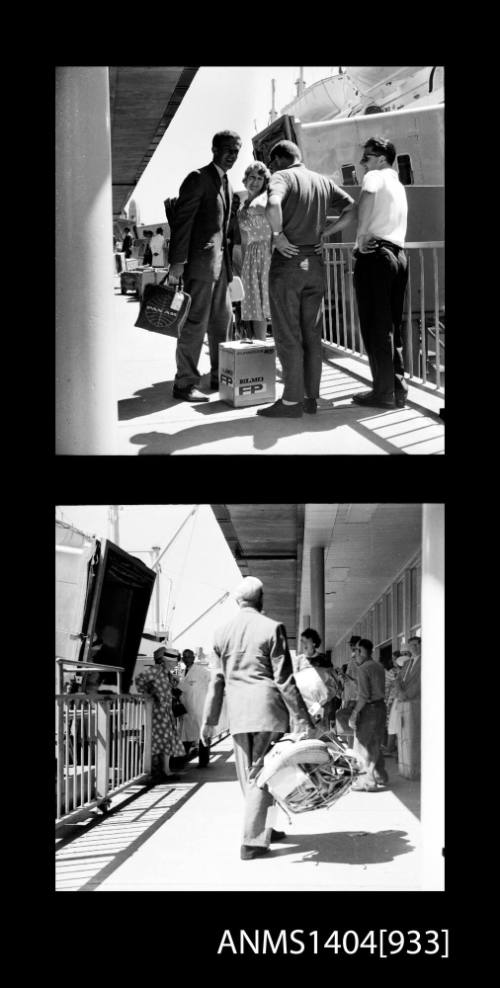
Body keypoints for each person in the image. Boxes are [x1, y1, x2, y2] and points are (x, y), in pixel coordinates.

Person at [200, 576, 314, 860]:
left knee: (251, 775)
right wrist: (303, 719)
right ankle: (252, 842)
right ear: (261, 599)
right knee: (261, 776)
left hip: (238, 715)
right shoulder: (272, 628)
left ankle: (265, 827)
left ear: (238, 601)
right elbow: (284, 679)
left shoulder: (220, 632)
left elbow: (216, 682)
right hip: (268, 712)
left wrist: (209, 721)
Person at [255, 140, 356, 419]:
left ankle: (290, 403)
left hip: (288, 263)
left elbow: (273, 204)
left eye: (272, 162)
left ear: (279, 160)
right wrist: (326, 232)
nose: (272, 168)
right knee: (312, 335)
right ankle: (312, 398)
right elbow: (350, 207)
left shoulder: (281, 177)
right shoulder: (322, 182)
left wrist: (278, 235)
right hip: (315, 264)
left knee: (288, 334)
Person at [168, 130, 242, 402]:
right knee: (195, 323)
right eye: (227, 150)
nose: (232, 155)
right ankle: (184, 383)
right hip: (200, 265)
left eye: (236, 150)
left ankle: (218, 377)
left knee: (222, 323)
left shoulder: (228, 183)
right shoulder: (198, 178)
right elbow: (182, 222)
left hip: (221, 267)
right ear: (214, 149)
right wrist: (177, 262)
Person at [351, 137, 409, 410]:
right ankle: (397, 389)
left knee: (375, 326)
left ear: (381, 158)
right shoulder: (398, 184)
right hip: (398, 255)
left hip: (376, 256)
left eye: (367, 157)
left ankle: (383, 393)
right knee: (392, 326)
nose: (363, 164)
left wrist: (361, 235)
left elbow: (367, 196)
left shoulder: (375, 176)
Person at [135, 647, 185, 781]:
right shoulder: (156, 670)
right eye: (174, 661)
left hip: (166, 712)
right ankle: (156, 772)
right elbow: (139, 680)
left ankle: (165, 771)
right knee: (157, 741)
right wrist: (148, 695)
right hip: (157, 712)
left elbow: (176, 684)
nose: (176, 664)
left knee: (166, 741)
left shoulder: (166, 673)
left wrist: (173, 678)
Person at [238, 162, 273, 342]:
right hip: (252, 256)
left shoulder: (266, 200)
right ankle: (261, 346)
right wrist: (244, 265)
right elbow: (245, 239)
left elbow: (278, 221)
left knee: (270, 303)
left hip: (268, 252)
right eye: (252, 177)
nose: (255, 182)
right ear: (245, 180)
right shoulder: (243, 207)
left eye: (260, 178)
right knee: (256, 306)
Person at [348, 639, 388, 791]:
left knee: (363, 746)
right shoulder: (378, 666)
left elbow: (364, 696)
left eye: (357, 650)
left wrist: (354, 713)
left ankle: (367, 782)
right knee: (375, 743)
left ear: (363, 652)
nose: (354, 654)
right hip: (381, 708)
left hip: (369, 709)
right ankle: (380, 776)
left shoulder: (363, 668)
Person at [295, 627, 340, 734]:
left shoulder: (324, 660)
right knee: (302, 735)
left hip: (321, 705)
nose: (304, 644)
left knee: (319, 733)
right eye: (302, 641)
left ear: (314, 643)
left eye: (307, 641)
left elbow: (333, 683)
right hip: (303, 706)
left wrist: (321, 703)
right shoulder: (298, 661)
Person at [177, 648, 211, 768]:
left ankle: (203, 761)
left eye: (189, 656)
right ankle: (182, 760)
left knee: (202, 735)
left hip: (199, 707)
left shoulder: (202, 671)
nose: (187, 659)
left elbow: (212, 683)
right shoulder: (181, 671)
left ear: (194, 657)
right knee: (185, 735)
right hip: (187, 709)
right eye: (184, 657)